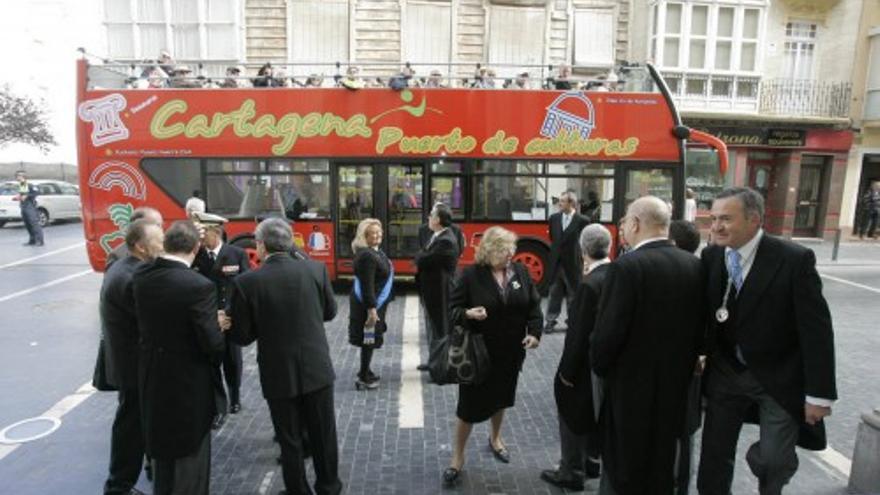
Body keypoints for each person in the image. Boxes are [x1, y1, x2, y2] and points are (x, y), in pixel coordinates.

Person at [697, 187, 837, 495]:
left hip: (777, 377)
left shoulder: (793, 259)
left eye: (726, 219)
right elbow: (705, 316)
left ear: (754, 220)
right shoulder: (711, 256)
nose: (716, 226)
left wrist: (820, 395)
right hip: (725, 373)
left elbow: (817, 330)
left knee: (774, 461)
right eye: (714, 218)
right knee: (713, 458)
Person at [590, 196, 705, 495]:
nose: (624, 227)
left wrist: (600, 366)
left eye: (626, 220)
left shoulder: (626, 267)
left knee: (626, 468)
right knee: (663, 465)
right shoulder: (693, 264)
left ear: (637, 223)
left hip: (631, 389)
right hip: (677, 386)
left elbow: (608, 334)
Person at [225, 218, 342, 495]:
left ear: (262, 245)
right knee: (324, 435)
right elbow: (330, 312)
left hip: (278, 372)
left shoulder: (247, 282)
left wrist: (230, 323)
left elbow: (242, 337)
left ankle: (297, 490)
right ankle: (329, 487)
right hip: (317, 367)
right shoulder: (315, 269)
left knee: (289, 439)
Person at [443, 226, 542, 486]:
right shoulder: (470, 275)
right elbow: (451, 310)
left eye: (511, 249)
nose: (510, 254)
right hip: (478, 353)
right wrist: (467, 314)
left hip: (510, 352)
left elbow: (533, 306)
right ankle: (457, 457)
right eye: (503, 250)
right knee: (468, 408)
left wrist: (535, 332)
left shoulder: (520, 272)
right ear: (488, 250)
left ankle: (496, 439)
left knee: (501, 399)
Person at [132, 220, 225, 495]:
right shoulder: (199, 286)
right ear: (196, 248)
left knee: (163, 459)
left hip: (153, 377)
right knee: (191, 463)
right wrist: (217, 326)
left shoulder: (142, 276)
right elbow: (212, 345)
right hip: (188, 386)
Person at [541, 224, 611, 491]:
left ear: (583, 251)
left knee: (572, 415)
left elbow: (577, 334)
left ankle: (571, 471)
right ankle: (592, 460)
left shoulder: (589, 285)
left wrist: (566, 374)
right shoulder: (616, 274)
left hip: (582, 367)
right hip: (604, 363)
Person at [101, 219, 164, 495]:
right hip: (135, 368)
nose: (163, 246)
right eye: (158, 241)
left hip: (128, 364)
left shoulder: (125, 267)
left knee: (134, 424)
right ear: (140, 246)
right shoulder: (134, 278)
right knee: (131, 429)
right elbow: (152, 325)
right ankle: (119, 486)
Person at [191, 212, 250, 428]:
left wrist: (230, 313)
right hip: (207, 319)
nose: (199, 238)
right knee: (211, 362)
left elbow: (245, 286)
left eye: (203, 233)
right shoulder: (196, 256)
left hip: (230, 318)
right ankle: (219, 406)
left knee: (233, 362)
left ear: (215, 232)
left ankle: (235, 398)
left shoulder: (236, 253)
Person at [668, 219, 704, 495]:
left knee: (678, 433)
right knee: (686, 433)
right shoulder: (702, 271)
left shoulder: (677, 275)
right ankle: (681, 485)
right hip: (692, 369)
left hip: (680, 369)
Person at [414, 203, 460, 372]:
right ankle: (434, 361)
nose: (429, 218)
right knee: (432, 328)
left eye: (432, 215)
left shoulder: (446, 240)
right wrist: (422, 256)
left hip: (440, 292)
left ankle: (439, 367)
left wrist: (421, 256)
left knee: (440, 329)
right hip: (432, 291)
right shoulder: (437, 236)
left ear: (438, 220)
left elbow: (421, 259)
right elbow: (422, 256)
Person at [348, 218, 392, 390]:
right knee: (368, 339)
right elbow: (367, 286)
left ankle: (365, 370)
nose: (378, 235)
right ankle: (364, 376)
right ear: (364, 236)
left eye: (379, 231)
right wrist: (372, 310)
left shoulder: (374, 251)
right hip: (368, 306)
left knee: (369, 339)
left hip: (373, 303)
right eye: (373, 232)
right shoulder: (367, 255)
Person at [545, 191, 589, 333]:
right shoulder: (554, 218)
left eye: (563, 201)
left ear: (571, 203)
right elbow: (553, 238)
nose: (559, 203)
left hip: (574, 263)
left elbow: (585, 242)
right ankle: (550, 321)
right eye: (560, 200)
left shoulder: (583, 220)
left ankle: (572, 322)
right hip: (556, 263)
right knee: (554, 294)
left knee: (573, 295)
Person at [14, 170, 44, 246]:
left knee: (34, 224)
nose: (18, 177)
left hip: (30, 207)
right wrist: (18, 197)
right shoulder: (21, 185)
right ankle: (32, 240)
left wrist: (27, 196)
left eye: (19, 175)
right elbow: (23, 195)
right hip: (23, 207)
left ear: (23, 176)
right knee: (27, 224)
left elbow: (37, 192)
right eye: (17, 175)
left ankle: (40, 241)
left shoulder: (30, 185)